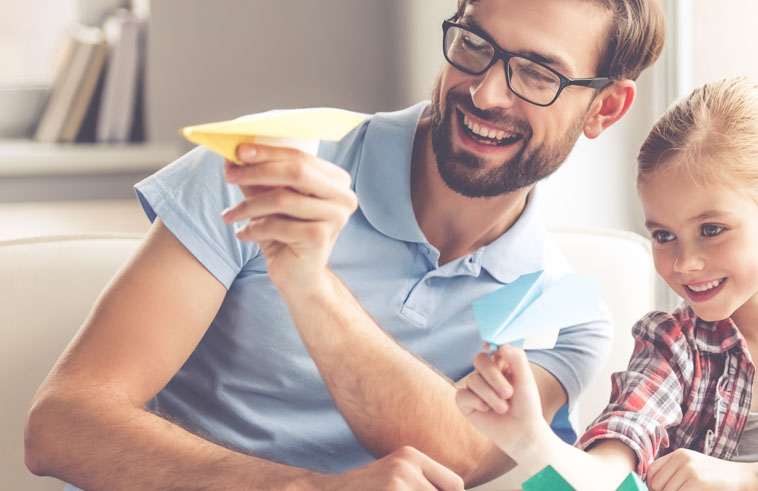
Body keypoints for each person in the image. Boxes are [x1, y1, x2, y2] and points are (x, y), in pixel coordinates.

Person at [23, 0, 665, 489]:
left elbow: (461, 456)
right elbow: (62, 423)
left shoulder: (563, 313)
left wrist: (311, 287)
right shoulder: (264, 165)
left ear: (605, 109)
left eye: (536, 73)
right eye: (474, 42)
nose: (485, 91)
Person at [456, 77, 758, 490]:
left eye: (712, 229)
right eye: (664, 235)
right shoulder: (672, 346)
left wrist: (745, 479)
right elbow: (606, 473)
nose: (685, 263)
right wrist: (529, 438)